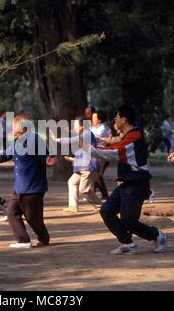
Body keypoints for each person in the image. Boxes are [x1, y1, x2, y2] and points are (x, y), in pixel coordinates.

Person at [92, 105, 167, 255]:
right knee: (106, 211)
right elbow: (115, 147)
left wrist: (90, 149)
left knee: (129, 222)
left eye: (117, 117)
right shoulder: (127, 136)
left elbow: (114, 152)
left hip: (137, 184)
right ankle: (128, 243)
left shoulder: (134, 136)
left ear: (124, 120)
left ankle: (157, 236)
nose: (115, 119)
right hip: (127, 184)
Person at [0, 114, 57, 248]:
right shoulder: (17, 141)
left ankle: (43, 238)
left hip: (33, 187)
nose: (11, 128)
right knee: (11, 212)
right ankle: (23, 240)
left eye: (13, 125)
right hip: (19, 187)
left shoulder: (35, 140)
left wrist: (50, 161)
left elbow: (46, 158)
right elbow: (3, 156)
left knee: (32, 218)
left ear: (22, 127)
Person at [56, 116, 102, 213]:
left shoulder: (87, 134)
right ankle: (73, 206)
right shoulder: (84, 135)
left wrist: (58, 139)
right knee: (72, 182)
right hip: (83, 166)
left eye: (76, 125)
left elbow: (72, 140)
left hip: (89, 166)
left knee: (84, 190)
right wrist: (73, 159)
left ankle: (101, 206)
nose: (74, 127)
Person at [91, 111, 110, 200]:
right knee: (97, 174)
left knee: (97, 174)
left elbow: (92, 139)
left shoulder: (103, 128)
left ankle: (92, 191)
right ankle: (102, 194)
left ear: (99, 119)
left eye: (94, 118)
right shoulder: (94, 127)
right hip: (96, 154)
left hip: (102, 155)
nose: (92, 119)